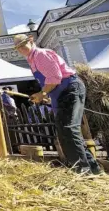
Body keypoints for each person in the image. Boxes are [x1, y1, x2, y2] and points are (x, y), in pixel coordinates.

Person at [13, 34, 102, 175]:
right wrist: (47, 95)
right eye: (18, 47)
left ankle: (83, 171)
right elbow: (51, 81)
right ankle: (94, 169)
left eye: (23, 45)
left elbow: (55, 78)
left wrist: (42, 93)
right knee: (65, 130)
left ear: (31, 41)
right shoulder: (32, 60)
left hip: (70, 89)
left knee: (68, 129)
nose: (21, 49)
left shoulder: (40, 55)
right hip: (61, 93)